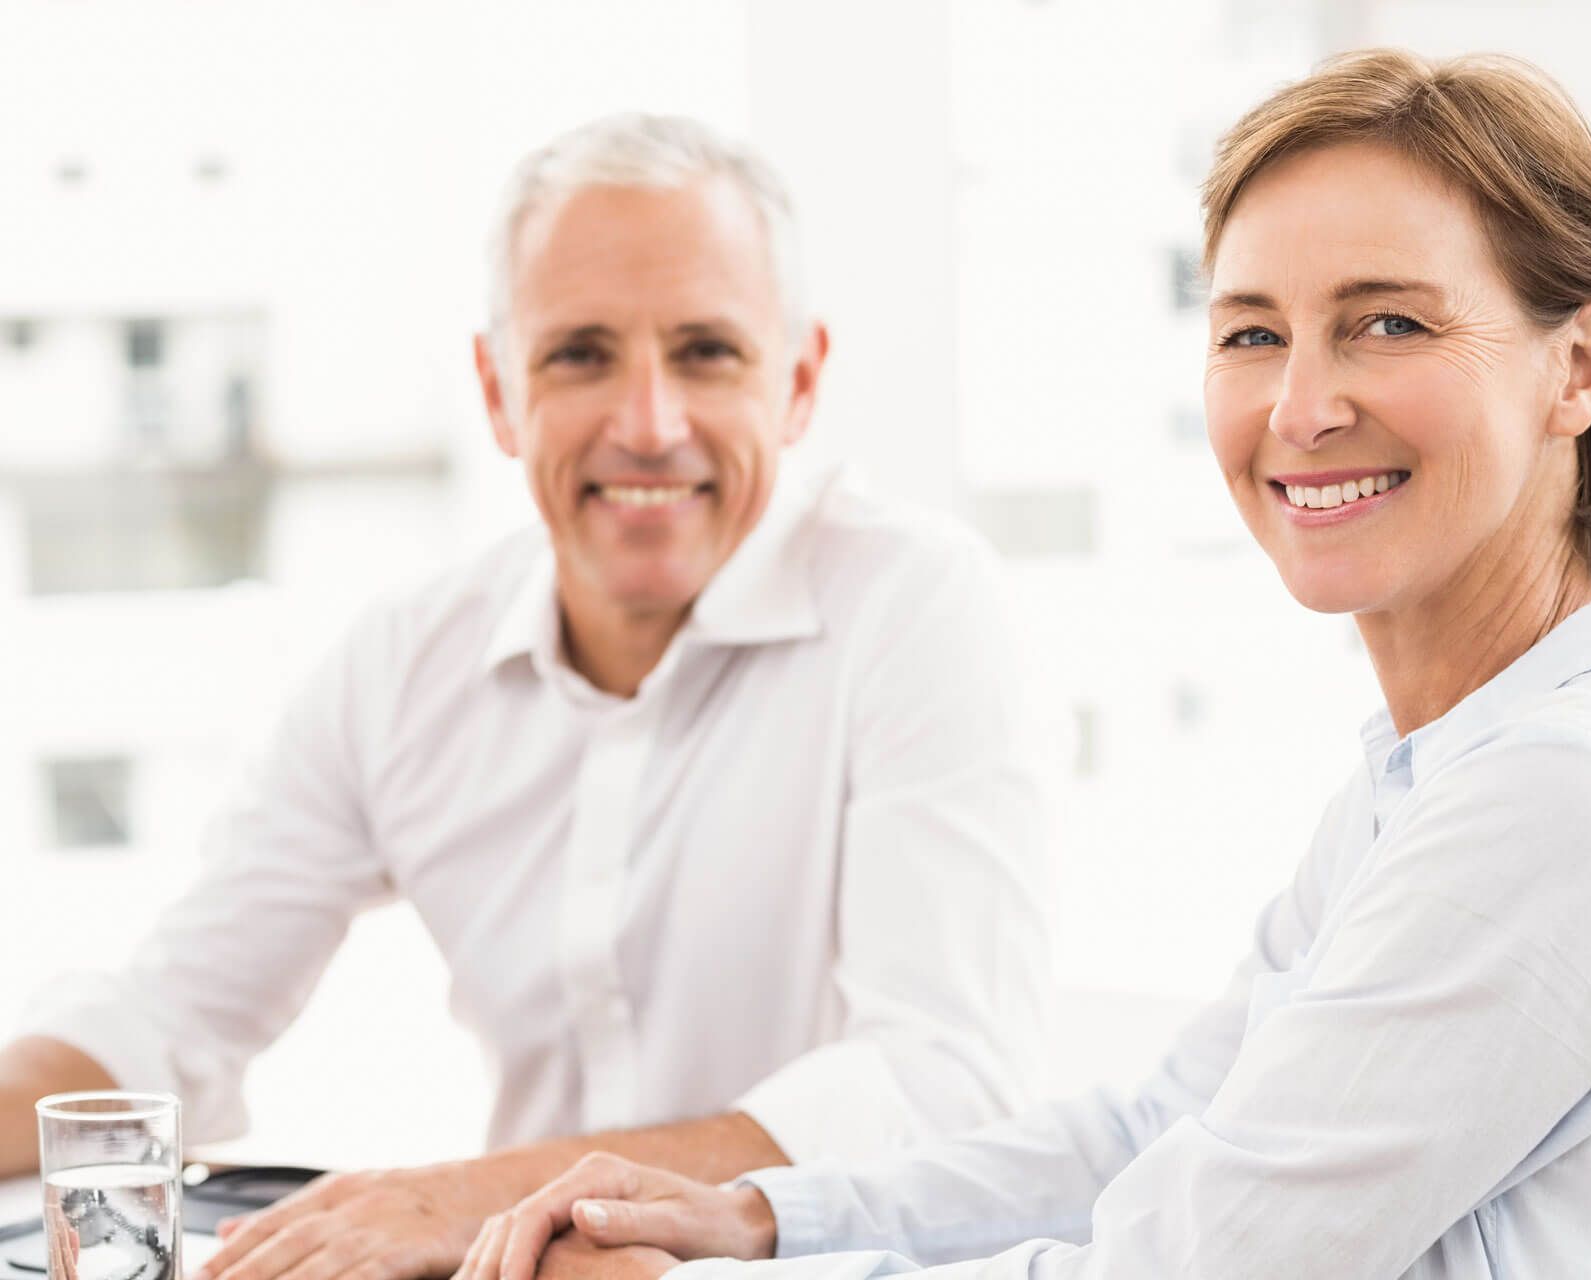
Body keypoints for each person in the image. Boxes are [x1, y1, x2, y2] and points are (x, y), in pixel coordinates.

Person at [459, 49, 1591, 1280]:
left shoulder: (1572, 796)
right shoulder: (1439, 771)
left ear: (1577, 366)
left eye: (1388, 322)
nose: (1301, 406)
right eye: (1251, 333)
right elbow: (1158, 1131)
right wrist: (756, 1216)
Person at [0, 113, 1052, 1280]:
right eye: (581, 354)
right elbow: (168, 1016)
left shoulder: (915, 604)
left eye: (706, 350)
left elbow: (937, 1083)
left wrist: (465, 1196)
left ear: (798, 381)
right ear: (499, 390)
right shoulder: (405, 658)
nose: (648, 424)